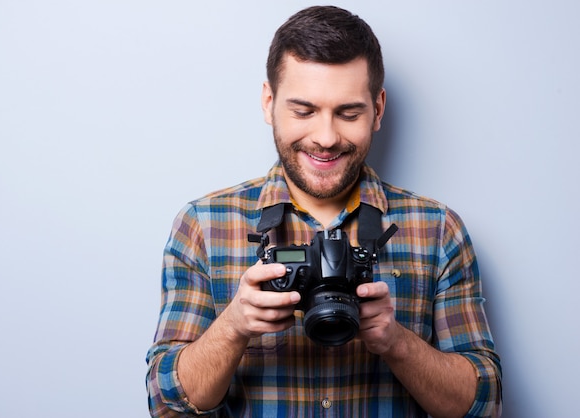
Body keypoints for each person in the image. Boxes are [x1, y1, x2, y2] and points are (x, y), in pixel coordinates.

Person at [146, 5, 502, 417]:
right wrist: (234, 326)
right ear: (268, 103)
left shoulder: (438, 231)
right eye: (304, 111)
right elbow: (166, 406)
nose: (326, 137)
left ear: (378, 109)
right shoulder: (204, 226)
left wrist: (396, 342)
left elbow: (485, 406)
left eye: (348, 113)